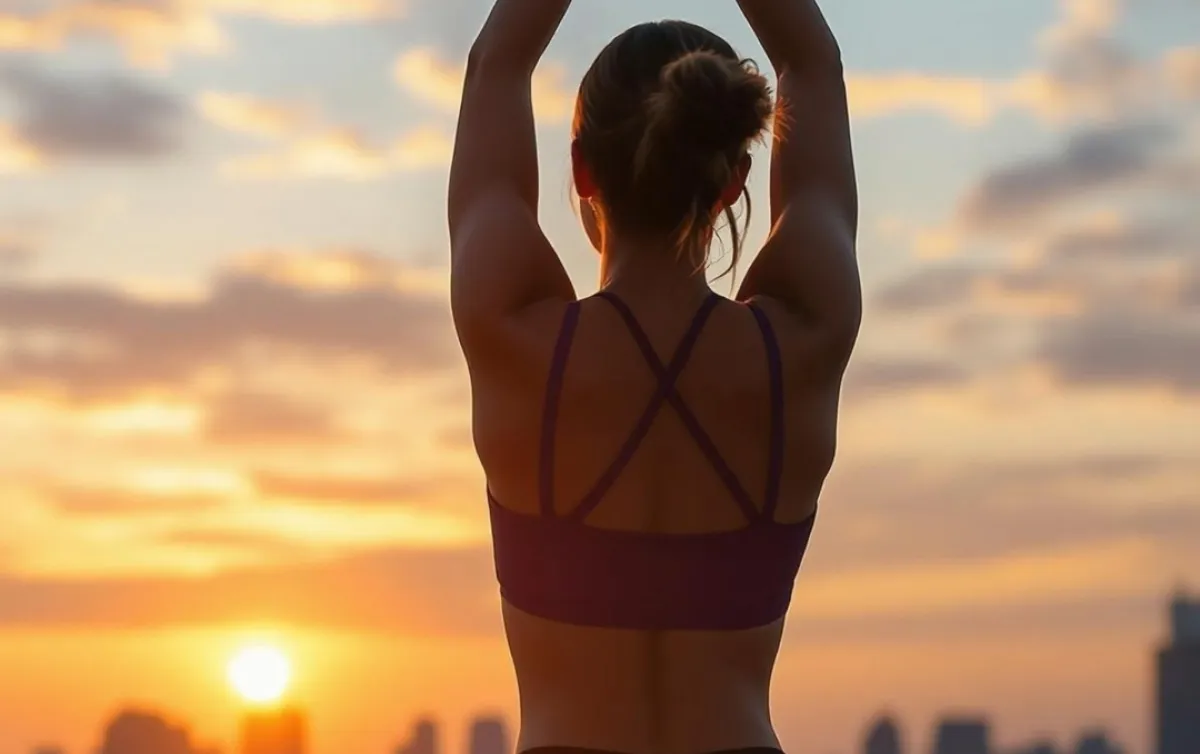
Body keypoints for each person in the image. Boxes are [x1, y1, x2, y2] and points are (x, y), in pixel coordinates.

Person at [448, 1, 859, 752]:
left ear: (580, 168)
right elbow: (813, 64)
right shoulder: (802, 339)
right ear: (736, 178)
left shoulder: (513, 336)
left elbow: (497, 62)